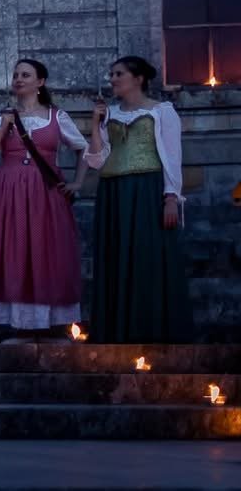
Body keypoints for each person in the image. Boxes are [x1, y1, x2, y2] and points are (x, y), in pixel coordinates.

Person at [0, 56, 87, 341]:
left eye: (25, 75)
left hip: (46, 192)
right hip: (9, 191)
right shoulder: (3, 117)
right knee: (15, 250)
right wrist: (4, 126)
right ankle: (22, 325)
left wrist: (77, 182)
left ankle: (53, 323)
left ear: (40, 82)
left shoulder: (56, 116)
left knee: (48, 249)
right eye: (16, 75)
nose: (19, 79)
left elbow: (83, 148)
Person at [83, 55, 190, 344]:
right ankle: (116, 333)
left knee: (147, 254)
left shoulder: (162, 111)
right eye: (112, 74)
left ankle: (150, 330)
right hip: (113, 193)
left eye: (119, 74)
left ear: (138, 78)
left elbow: (172, 156)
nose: (113, 79)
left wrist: (170, 198)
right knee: (116, 257)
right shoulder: (111, 114)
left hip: (146, 190)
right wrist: (95, 124)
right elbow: (95, 160)